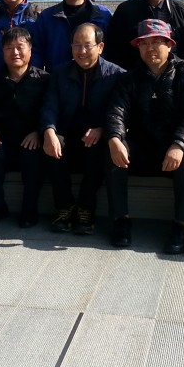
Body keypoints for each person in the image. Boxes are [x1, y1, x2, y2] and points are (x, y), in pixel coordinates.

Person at [104, 19, 184, 253]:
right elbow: (116, 111)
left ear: (169, 45)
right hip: (142, 146)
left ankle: (182, 225)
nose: (150, 48)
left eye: (156, 42)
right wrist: (115, 138)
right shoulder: (130, 78)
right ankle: (120, 220)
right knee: (112, 150)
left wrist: (179, 144)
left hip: (172, 149)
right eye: (144, 43)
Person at [41, 22, 124, 235]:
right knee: (53, 145)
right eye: (76, 45)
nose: (82, 51)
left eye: (87, 45)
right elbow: (49, 105)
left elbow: (121, 113)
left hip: (97, 136)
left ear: (100, 47)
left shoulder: (116, 75)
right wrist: (49, 130)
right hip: (67, 133)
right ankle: (64, 206)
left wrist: (102, 129)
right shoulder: (59, 73)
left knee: (97, 149)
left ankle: (86, 209)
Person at [0, 26, 49, 227]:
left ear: (30, 50)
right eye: (9, 48)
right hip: (2, 140)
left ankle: (29, 211)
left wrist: (38, 132)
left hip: (30, 140)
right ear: (2, 51)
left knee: (34, 156)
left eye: (20, 47)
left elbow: (49, 110)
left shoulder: (44, 80)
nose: (15, 52)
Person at [33, 0, 112, 71]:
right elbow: (36, 54)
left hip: (98, 80)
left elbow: (114, 52)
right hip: (58, 80)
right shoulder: (46, 18)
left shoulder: (103, 16)